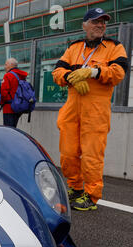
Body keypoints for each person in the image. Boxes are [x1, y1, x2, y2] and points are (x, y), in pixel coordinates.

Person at [52, 8, 128, 211]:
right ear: (85, 25)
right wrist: (70, 78)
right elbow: (57, 71)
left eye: (103, 22)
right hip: (71, 109)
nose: (100, 25)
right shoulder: (74, 47)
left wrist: (93, 72)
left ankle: (92, 196)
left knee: (92, 155)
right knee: (68, 153)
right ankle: (75, 188)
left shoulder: (114, 47)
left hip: (96, 111)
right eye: (95, 21)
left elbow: (119, 72)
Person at [0, 58, 28, 128]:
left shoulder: (8, 75)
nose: (5, 66)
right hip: (19, 107)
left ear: (11, 65)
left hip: (9, 107)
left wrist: (1, 103)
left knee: (8, 131)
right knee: (14, 130)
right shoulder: (22, 76)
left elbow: (3, 92)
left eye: (6, 64)